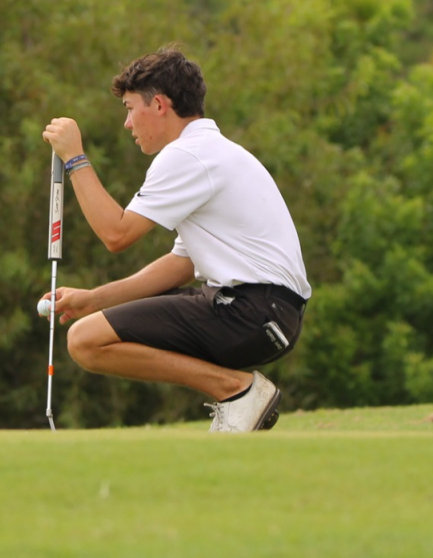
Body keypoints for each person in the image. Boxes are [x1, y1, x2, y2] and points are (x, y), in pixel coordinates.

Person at [40, 47, 311, 432]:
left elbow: (116, 234)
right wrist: (92, 298)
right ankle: (238, 394)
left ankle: (237, 391)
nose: (128, 123)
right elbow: (180, 265)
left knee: (85, 341)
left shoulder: (187, 155)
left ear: (161, 105)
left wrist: (75, 158)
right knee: (88, 333)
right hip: (268, 312)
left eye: (131, 108)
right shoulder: (210, 152)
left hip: (253, 313)